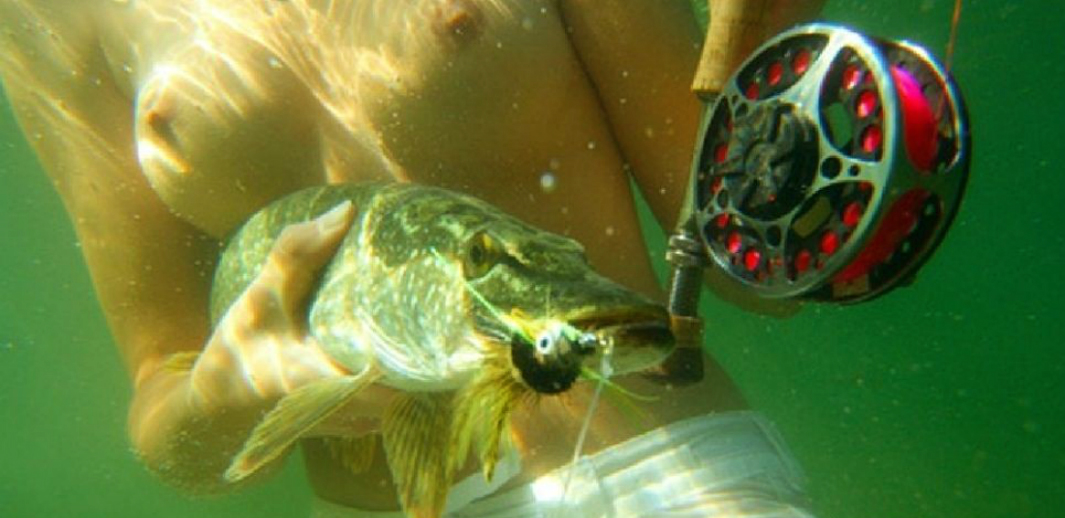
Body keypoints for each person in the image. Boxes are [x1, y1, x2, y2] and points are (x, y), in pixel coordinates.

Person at [0, 0, 825, 516]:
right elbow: (168, 421)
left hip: (662, 479)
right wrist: (221, 396)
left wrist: (773, 58)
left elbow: (750, 269)